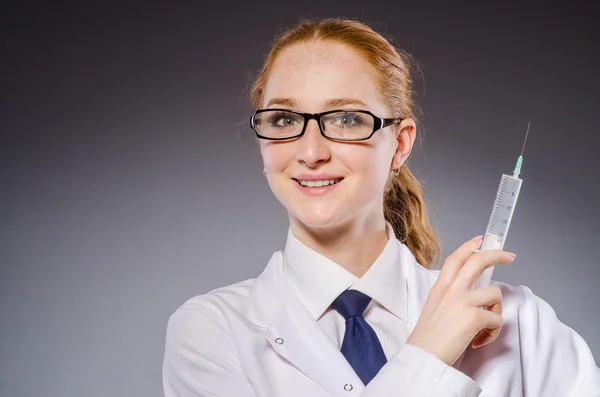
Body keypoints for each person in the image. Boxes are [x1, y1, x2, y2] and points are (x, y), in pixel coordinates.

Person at [162, 17, 600, 396]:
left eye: (347, 119)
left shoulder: (519, 325)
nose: (310, 151)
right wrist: (428, 354)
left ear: (400, 143)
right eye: (284, 119)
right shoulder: (211, 332)